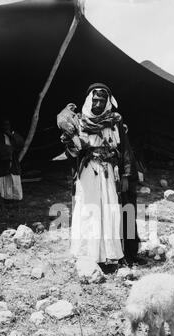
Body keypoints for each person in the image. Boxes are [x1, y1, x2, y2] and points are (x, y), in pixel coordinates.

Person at [59, 83, 141, 268]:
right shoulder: (80, 121)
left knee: (109, 211)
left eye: (102, 99)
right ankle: (89, 254)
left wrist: (126, 175)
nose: (98, 102)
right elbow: (74, 152)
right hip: (88, 173)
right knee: (89, 211)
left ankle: (109, 254)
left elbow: (124, 149)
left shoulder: (114, 121)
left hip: (108, 173)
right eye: (94, 99)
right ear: (89, 100)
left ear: (107, 102)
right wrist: (70, 143)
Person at [0, 118, 24, 202]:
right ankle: (4, 198)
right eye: (4, 125)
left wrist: (11, 135)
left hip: (13, 162)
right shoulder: (0, 136)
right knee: (3, 179)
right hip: (3, 163)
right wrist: (9, 150)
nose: (6, 127)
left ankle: (14, 198)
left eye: (7, 125)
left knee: (14, 178)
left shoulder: (14, 134)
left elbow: (20, 143)